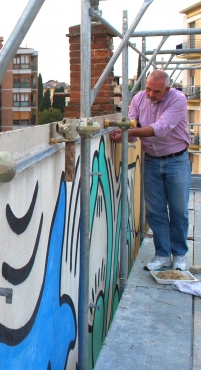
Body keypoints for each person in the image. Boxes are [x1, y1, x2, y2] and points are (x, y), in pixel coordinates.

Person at [110, 69, 190, 271]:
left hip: (176, 160)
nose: (150, 95)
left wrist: (130, 131)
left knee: (179, 211)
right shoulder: (138, 98)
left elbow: (160, 129)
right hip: (152, 161)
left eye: (156, 91)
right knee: (155, 212)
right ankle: (162, 255)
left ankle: (179, 256)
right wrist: (126, 132)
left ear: (167, 89)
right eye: (148, 89)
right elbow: (133, 126)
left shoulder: (178, 99)